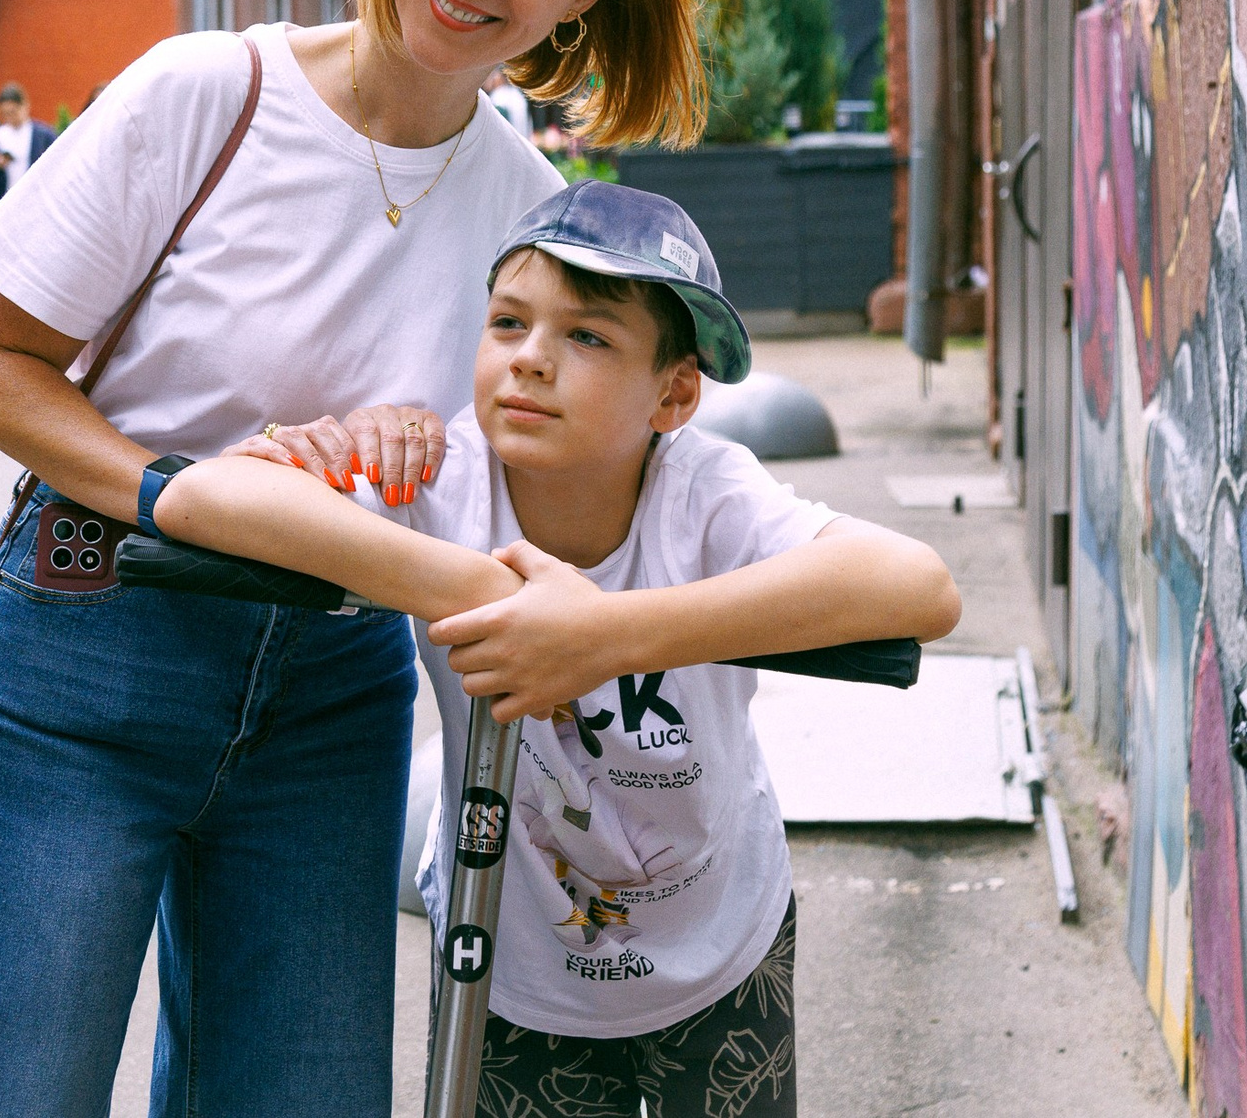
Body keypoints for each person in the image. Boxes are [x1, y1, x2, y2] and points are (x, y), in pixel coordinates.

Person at [0, 0, 711, 1118]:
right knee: (4, 1087)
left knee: (298, 1097)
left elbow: (542, 484)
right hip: (94, 635)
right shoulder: (211, 92)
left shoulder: (535, 215)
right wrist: (179, 494)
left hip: (336, 679)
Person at [151, 181, 962, 1118]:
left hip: (719, 946)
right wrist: (447, 565)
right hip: (506, 962)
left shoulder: (703, 493)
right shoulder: (441, 480)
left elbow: (919, 585)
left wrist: (600, 636)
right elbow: (198, 500)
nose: (531, 358)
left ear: (674, 393)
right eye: (507, 322)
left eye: (588, 336)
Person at [0, 82, 54, 214]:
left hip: (36, 201)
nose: (10, 118)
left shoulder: (43, 135)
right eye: (5, 114)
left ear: (25, 106)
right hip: (6, 201)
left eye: (13, 112)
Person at [485, 67, 535, 136]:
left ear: (500, 77)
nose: (491, 80)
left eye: (493, 76)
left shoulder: (498, 95)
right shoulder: (517, 94)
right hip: (522, 140)